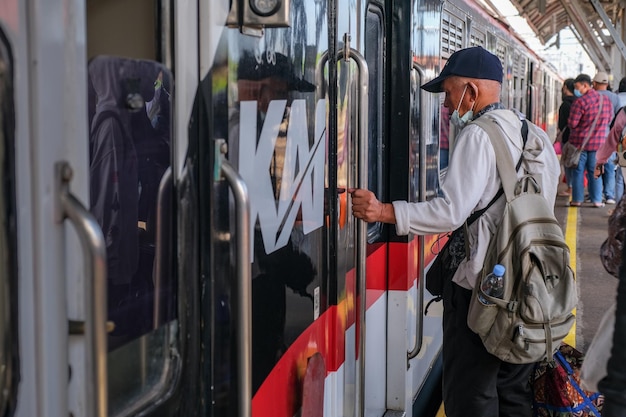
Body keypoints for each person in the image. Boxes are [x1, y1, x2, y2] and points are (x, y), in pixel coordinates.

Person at [349, 46, 560, 417]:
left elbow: (450, 212)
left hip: (482, 288)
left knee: (469, 393)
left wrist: (384, 211)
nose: (447, 105)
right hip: (529, 283)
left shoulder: (478, 136)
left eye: (449, 92)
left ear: (472, 92)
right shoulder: (533, 134)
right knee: (513, 391)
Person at [567, 73, 613, 207]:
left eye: (577, 87)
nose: (577, 90)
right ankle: (597, 200)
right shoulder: (606, 101)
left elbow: (572, 123)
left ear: (585, 85)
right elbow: (609, 120)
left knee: (578, 172)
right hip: (599, 144)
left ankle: (577, 199)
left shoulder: (580, 102)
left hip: (580, 144)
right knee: (596, 173)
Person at [593, 71, 620, 204]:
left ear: (594, 83)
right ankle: (609, 195)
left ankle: (597, 196)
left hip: (593, 136)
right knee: (609, 166)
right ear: (607, 83)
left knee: (596, 165)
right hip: (609, 134)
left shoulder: (591, 96)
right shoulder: (615, 98)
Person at [557, 78, 577, 196]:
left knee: (568, 164)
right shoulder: (578, 101)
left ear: (565, 88)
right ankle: (574, 187)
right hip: (577, 138)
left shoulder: (565, 104)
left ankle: (570, 187)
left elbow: (561, 124)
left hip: (567, 138)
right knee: (575, 164)